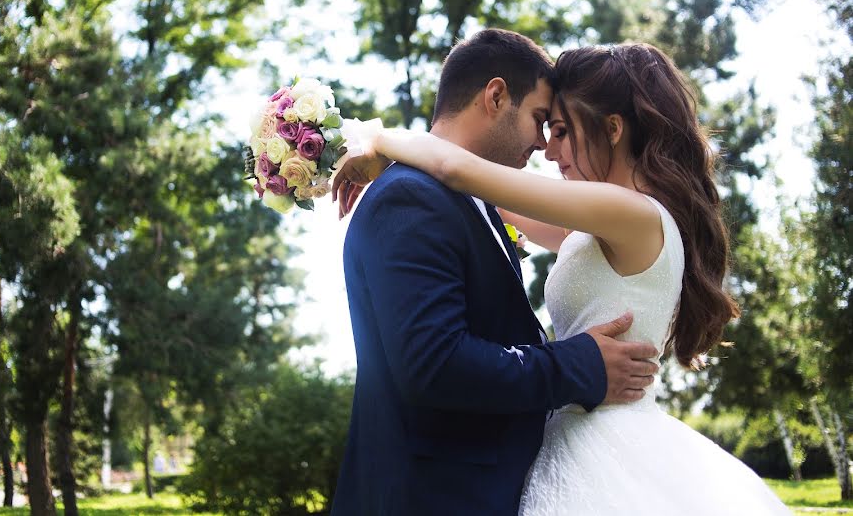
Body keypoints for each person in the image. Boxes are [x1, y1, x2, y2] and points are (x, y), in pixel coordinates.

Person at [334, 40, 791, 515]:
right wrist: (400, 162)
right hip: (559, 444)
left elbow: (456, 168)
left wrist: (377, 139)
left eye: (561, 130)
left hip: (605, 445)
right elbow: (476, 191)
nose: (547, 150)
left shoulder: (631, 213)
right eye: (543, 125)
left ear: (612, 129)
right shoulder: (594, 224)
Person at [329, 29, 662, 516]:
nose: (543, 143)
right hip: (428, 498)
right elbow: (434, 363)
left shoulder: (473, 201)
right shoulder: (411, 197)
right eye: (540, 120)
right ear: (496, 95)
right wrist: (578, 365)